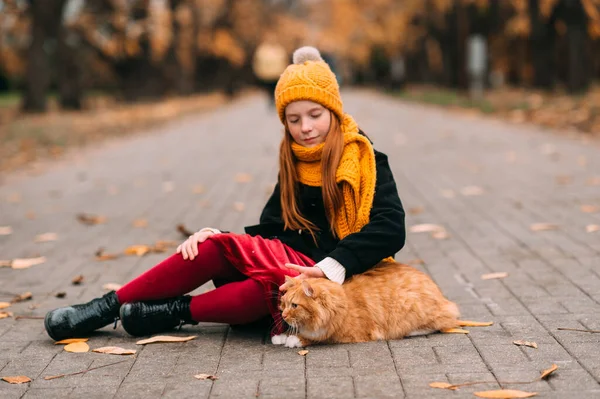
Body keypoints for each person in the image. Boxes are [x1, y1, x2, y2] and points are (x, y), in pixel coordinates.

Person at [44, 46, 406, 341]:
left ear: (333, 111)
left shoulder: (366, 159)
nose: (305, 128)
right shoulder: (294, 160)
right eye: (293, 120)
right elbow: (273, 227)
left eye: (314, 115)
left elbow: (391, 228)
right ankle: (101, 309)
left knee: (269, 291)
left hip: (340, 274)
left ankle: (171, 313)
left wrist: (329, 268)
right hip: (291, 260)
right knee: (211, 247)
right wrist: (225, 238)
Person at [252, 33, 288, 107]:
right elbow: (257, 62)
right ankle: (271, 99)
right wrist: (258, 71)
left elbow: (284, 60)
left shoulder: (279, 49)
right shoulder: (262, 50)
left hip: (277, 73)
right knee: (269, 89)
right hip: (266, 74)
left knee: (276, 89)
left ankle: (276, 100)